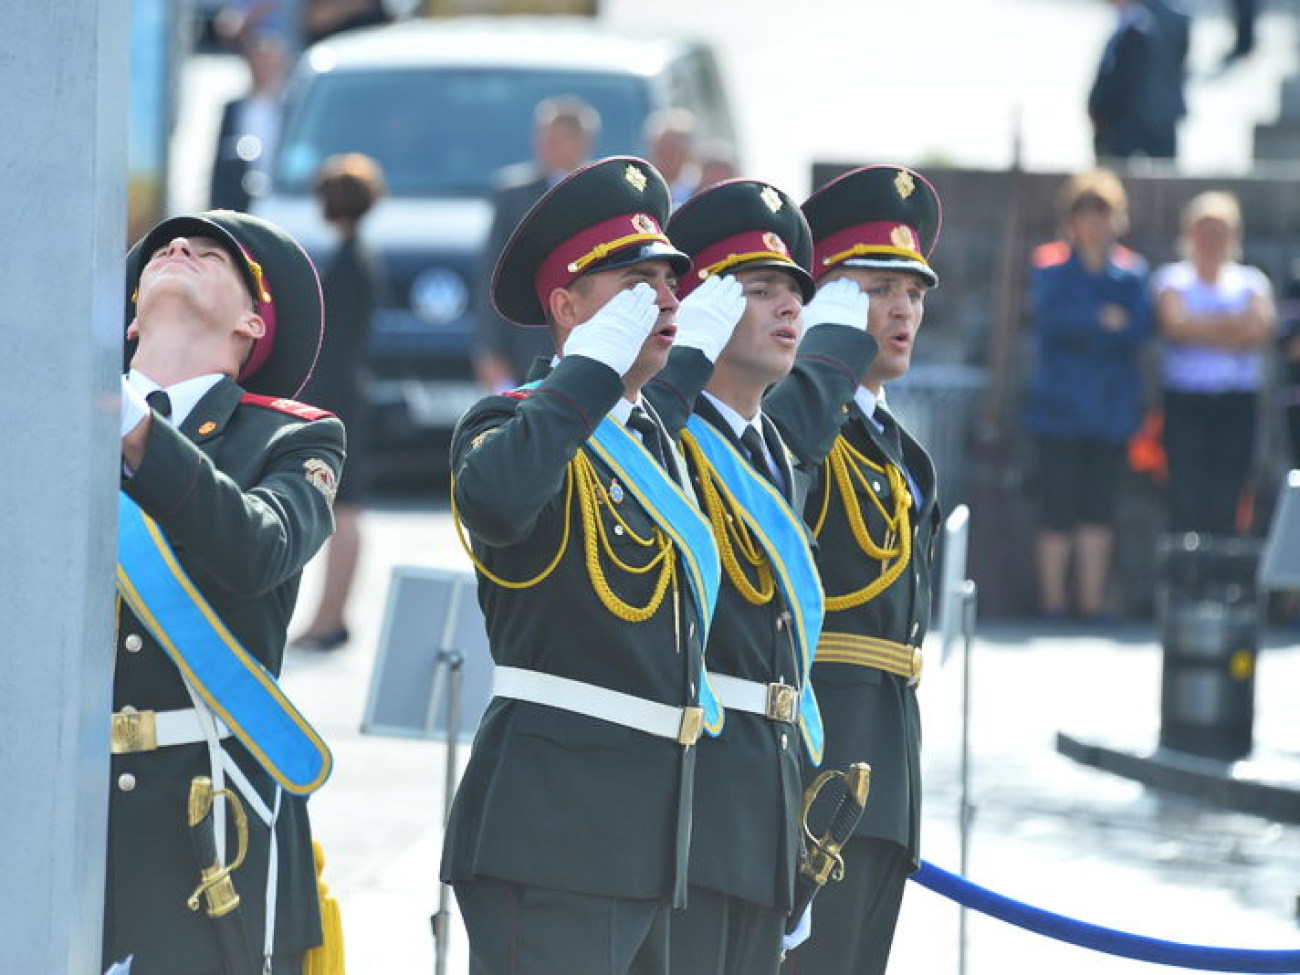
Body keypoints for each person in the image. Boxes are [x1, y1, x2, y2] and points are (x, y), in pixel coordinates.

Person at [440, 156, 722, 975]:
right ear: (567, 308)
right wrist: (586, 371)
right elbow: (495, 500)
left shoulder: (653, 442)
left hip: (648, 835)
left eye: (670, 280)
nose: (667, 298)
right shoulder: (512, 423)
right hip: (554, 833)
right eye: (635, 282)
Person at [646, 180, 874, 974]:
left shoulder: (771, 451)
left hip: (767, 798)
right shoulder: (668, 443)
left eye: (795, 293)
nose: (788, 309)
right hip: (695, 797)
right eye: (759, 290)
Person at [108, 210, 346, 974]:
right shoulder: (40, 418)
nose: (176, 248)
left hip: (206, 823)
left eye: (211, 253)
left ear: (254, 321)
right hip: (45, 801)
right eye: (163, 249)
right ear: (130, 312)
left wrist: (136, 433)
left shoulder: (292, 438)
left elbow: (258, 548)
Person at [780, 165, 943, 975]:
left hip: (886, 760)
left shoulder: (896, 448)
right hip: (820, 762)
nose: (903, 309)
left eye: (913, 291)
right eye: (877, 289)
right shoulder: (808, 425)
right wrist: (823, 361)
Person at [1023, 169, 1154, 621]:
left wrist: (1091, 323)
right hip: (1058, 407)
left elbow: (1138, 328)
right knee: (1056, 505)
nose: (1097, 225)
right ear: (1073, 220)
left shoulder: (1132, 272)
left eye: (1105, 215)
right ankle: (1053, 602)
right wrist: (1103, 320)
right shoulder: (1050, 264)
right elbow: (1055, 319)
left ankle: (1091, 602)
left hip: (1110, 410)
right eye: (1088, 215)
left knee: (1100, 507)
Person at [292, 152, 387, 651]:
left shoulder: (349, 261)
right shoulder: (357, 256)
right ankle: (328, 616)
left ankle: (330, 618)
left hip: (339, 394)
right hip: (350, 388)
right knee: (343, 507)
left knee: (342, 506)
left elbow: (333, 341)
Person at [1153, 190, 1276, 534]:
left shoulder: (1251, 281)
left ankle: (1221, 575)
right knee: (1185, 490)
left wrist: (1200, 325)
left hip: (1235, 402)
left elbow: (1257, 330)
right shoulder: (1173, 279)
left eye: (1220, 230)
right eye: (1204, 229)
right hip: (1185, 401)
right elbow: (1175, 326)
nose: (1211, 239)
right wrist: (1230, 325)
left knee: (1229, 490)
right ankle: (1183, 577)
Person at [473, 96, 601, 393]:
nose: (546, 147)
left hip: (590, 341)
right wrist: (490, 349)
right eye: (543, 138)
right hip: (527, 346)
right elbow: (491, 274)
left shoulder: (604, 193)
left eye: (558, 139)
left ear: (584, 142)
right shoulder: (513, 195)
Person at [210, 32, 289, 212]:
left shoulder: (288, 108)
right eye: (257, 61)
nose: (262, 68)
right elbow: (221, 160)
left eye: (268, 62)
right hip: (239, 199)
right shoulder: (233, 107)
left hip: (278, 196)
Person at [1088, 0, 1173, 162]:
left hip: (1125, 121)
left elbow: (1127, 82)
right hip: (1114, 120)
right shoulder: (1122, 27)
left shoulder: (1138, 31)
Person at [644, 107, 700, 209]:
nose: (663, 159)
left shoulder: (698, 194)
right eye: (660, 151)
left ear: (686, 155)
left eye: (672, 152)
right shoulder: (640, 191)